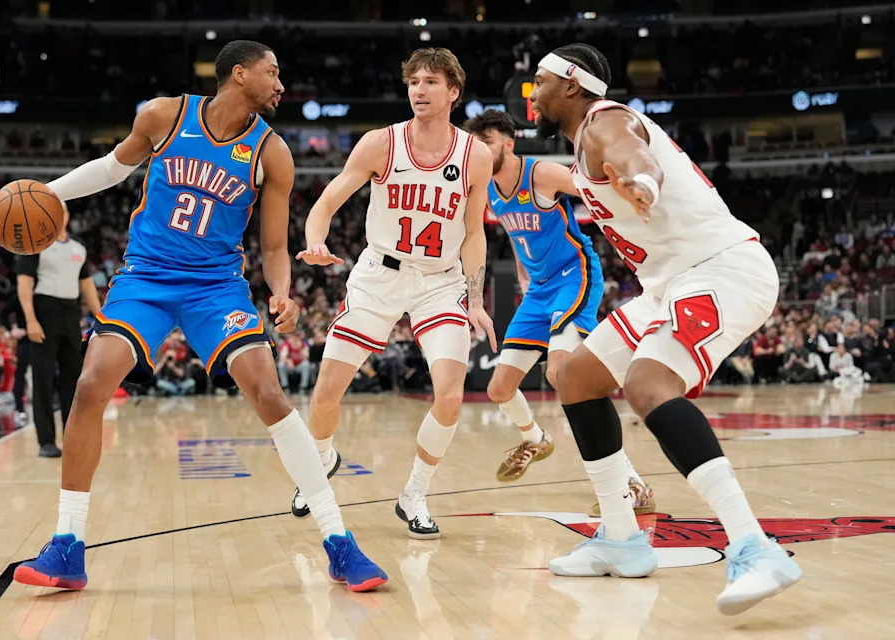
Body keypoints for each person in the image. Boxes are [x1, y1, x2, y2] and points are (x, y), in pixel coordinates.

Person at [6, 40, 386, 592]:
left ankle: (339, 542)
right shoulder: (164, 114)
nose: (282, 85)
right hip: (147, 278)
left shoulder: (272, 151)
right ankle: (67, 546)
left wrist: (281, 291)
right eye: (272, 73)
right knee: (90, 385)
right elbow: (112, 169)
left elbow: (275, 247)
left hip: (217, 287)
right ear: (239, 74)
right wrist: (48, 192)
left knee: (270, 393)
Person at [527, 42, 800, 614]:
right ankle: (623, 540)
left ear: (573, 86)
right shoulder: (580, 149)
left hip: (722, 269)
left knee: (650, 385)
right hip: (669, 285)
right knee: (576, 378)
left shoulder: (607, 121)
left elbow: (632, 156)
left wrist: (642, 181)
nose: (534, 90)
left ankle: (756, 546)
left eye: (541, 81)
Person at [292, 47, 496, 539]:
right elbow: (327, 200)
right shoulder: (381, 143)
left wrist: (475, 300)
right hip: (380, 275)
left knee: (450, 395)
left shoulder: (476, 154)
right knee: (325, 394)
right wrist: (315, 241)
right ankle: (322, 457)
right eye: (413, 82)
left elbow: (473, 232)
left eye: (430, 82)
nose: (419, 90)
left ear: (453, 92)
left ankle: (415, 495)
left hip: (440, 280)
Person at [464, 110, 655, 514]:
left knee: (560, 374)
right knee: (499, 389)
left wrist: (634, 197)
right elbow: (517, 238)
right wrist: (524, 278)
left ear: (509, 143)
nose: (480, 150)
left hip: (575, 274)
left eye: (488, 142)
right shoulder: (487, 189)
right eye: (475, 144)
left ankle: (632, 485)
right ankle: (535, 438)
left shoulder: (540, 174)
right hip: (540, 289)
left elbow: (594, 189)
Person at [16, 205, 101, 457]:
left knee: (74, 380)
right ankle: (46, 442)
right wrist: (30, 320)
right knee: (42, 379)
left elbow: (86, 286)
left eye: (62, 211)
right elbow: (24, 284)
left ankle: (72, 437)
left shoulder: (79, 246)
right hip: (44, 311)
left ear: (67, 216)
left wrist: (102, 318)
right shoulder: (34, 244)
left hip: (70, 313)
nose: (58, 215)